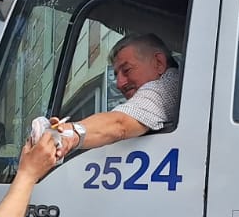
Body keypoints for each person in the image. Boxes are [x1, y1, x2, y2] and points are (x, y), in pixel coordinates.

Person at [49, 32, 181, 157]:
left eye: (127, 70)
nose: (119, 84)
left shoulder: (168, 86)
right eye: (116, 75)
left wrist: (67, 134)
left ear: (159, 63)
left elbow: (119, 124)